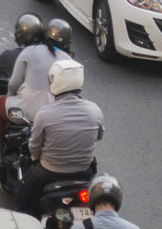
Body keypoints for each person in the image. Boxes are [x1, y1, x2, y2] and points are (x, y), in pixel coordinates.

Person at [13, 57, 103, 218]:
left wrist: (35, 158)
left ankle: (27, 224)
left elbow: (34, 146)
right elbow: (98, 136)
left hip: (49, 172)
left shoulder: (45, 114)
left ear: (54, 81)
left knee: (23, 194)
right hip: (84, 172)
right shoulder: (94, 110)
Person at [0, 13, 50, 164]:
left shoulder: (14, 55)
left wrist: (10, 96)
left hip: (26, 107)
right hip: (50, 105)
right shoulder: (53, 54)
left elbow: (13, 83)